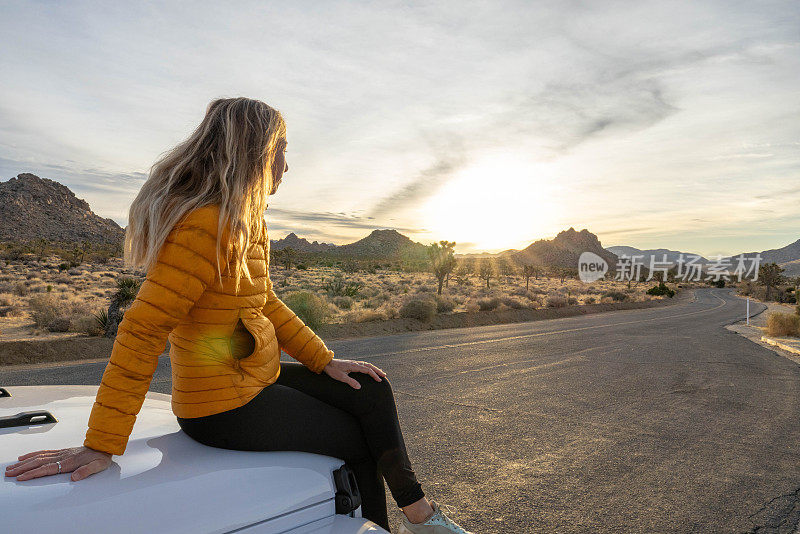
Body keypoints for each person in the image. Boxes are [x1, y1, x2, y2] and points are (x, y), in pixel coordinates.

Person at [5, 97, 474, 534]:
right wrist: (101, 442)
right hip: (220, 407)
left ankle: (419, 513)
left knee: (369, 387)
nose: (287, 164)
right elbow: (144, 327)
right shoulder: (205, 224)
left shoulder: (246, 219)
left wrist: (323, 359)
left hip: (253, 380)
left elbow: (263, 301)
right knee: (353, 439)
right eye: (281, 150)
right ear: (254, 152)